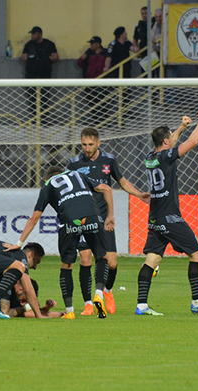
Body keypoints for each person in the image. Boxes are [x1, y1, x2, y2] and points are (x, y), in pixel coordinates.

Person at [136, 109, 198, 316]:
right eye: (170, 137)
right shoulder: (166, 156)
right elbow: (192, 142)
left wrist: (182, 126)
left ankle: (141, 306)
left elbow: (171, 141)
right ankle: (197, 302)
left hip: (155, 217)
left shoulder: (150, 157)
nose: (172, 139)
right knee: (197, 254)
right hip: (170, 217)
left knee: (152, 260)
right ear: (165, 142)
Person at [10, 165, 115, 320]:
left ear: (47, 178)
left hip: (69, 222)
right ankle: (99, 294)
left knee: (66, 265)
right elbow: (107, 189)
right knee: (101, 257)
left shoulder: (48, 185)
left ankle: (70, 311)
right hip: (92, 217)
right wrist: (110, 216)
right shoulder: (78, 174)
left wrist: (19, 243)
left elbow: (33, 219)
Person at [66, 128, 150, 315]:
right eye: (84, 145)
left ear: (98, 143)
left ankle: (108, 291)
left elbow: (122, 182)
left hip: (104, 220)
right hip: (83, 219)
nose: (87, 149)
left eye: (90, 144)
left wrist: (139, 194)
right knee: (86, 258)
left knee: (111, 263)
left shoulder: (109, 160)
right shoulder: (74, 163)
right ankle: (88, 303)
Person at [21, 26, 58, 125]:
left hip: (44, 76)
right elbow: (23, 57)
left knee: (44, 99)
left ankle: (43, 120)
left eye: (34, 34)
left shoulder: (49, 44)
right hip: (31, 76)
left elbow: (55, 56)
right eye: (32, 34)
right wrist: (31, 59)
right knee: (32, 99)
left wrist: (45, 59)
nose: (32, 36)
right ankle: (34, 119)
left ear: (40, 34)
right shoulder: (29, 45)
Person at [133, 6, 150, 71]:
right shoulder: (139, 25)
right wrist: (136, 48)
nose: (144, 15)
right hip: (143, 51)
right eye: (142, 14)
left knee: (154, 71)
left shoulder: (153, 23)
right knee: (144, 71)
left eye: (146, 13)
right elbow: (135, 39)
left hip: (152, 51)